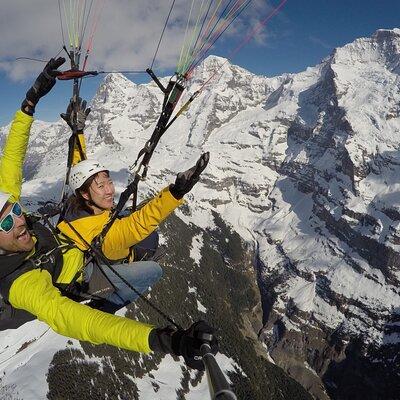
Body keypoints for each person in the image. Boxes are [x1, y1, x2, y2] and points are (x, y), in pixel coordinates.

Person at [0, 58, 217, 369]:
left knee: (144, 236)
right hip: (82, 274)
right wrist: (164, 339)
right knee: (153, 268)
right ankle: (108, 303)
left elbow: (22, 159)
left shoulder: (73, 202)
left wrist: (32, 101)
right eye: (7, 222)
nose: (19, 219)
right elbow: (76, 321)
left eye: (16, 211)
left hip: (73, 245)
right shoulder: (23, 284)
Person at [56, 97, 210, 311]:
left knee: (131, 210)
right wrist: (176, 192)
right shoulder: (108, 236)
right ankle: (105, 308)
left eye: (108, 182)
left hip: (86, 252)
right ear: (85, 194)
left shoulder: (74, 204)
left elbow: (78, 168)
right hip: (92, 274)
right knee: (154, 270)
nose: (110, 189)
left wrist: (78, 132)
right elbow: (139, 224)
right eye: (101, 187)